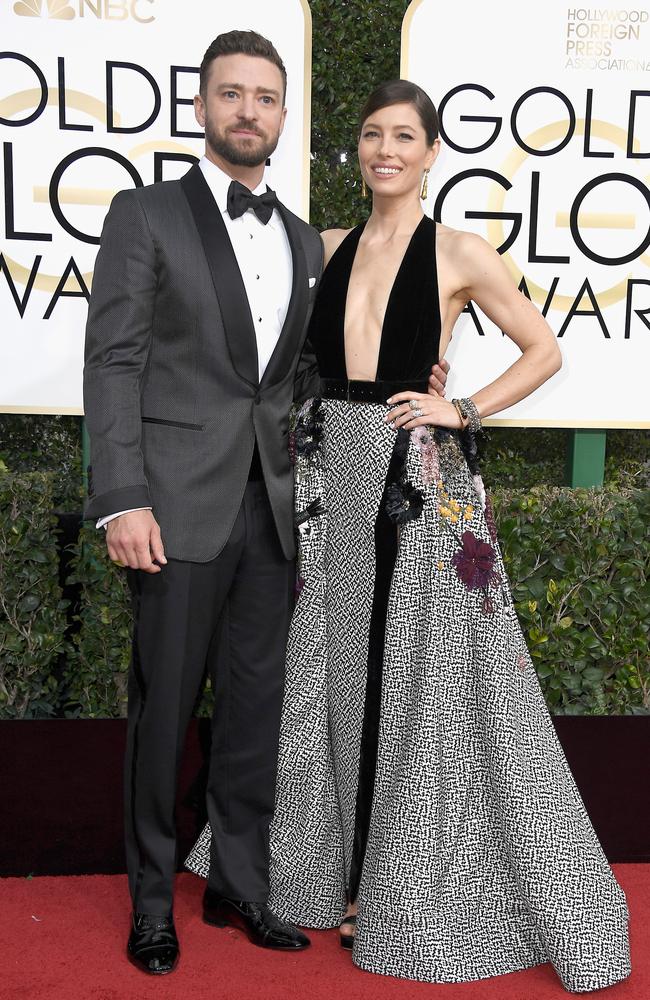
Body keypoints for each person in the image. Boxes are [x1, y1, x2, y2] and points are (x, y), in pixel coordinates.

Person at [186, 80, 631, 991]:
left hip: (413, 480)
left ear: (431, 153)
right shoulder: (328, 248)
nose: (384, 148)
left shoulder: (461, 250)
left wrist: (460, 406)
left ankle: (395, 887)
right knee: (329, 674)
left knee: (419, 682)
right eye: (370, 133)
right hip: (327, 480)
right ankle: (325, 873)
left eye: (403, 136)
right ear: (358, 150)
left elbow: (545, 351)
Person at [83, 34, 446, 975]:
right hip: (171, 508)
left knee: (255, 715)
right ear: (202, 107)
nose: (249, 110)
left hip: (277, 515)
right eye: (231, 95)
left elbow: (302, 377)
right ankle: (155, 903)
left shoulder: (298, 237)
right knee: (164, 715)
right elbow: (114, 363)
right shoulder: (144, 214)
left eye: (266, 98)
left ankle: (241, 887)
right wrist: (122, 497)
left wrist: (429, 376)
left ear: (286, 117)